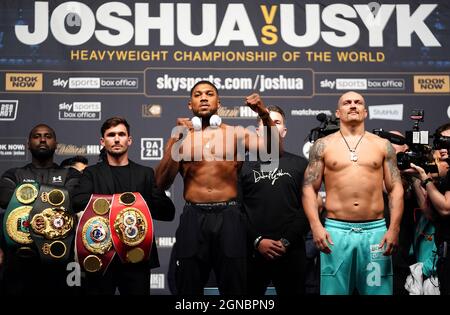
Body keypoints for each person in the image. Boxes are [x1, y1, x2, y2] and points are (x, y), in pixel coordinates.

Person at [155, 80, 275, 295]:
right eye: (197, 94)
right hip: (193, 216)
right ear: (189, 105)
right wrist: (176, 139)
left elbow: (272, 151)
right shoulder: (181, 136)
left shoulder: (236, 133)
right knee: (188, 288)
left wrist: (264, 114)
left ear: (218, 102)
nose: (203, 97)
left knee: (235, 288)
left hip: (229, 216)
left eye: (209, 94)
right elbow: (161, 182)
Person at [302, 91, 404, 295]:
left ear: (365, 112)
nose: (353, 105)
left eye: (358, 102)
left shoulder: (382, 145)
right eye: (347, 103)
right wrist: (315, 226)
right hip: (336, 232)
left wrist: (394, 228)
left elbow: (395, 188)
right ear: (338, 113)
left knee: (378, 292)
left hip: (376, 232)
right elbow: (308, 188)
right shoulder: (322, 146)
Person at [72, 117, 175, 295]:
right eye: (111, 135)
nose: (117, 139)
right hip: (101, 254)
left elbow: (167, 212)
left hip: (137, 256)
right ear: (103, 142)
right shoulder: (91, 173)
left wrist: (142, 202)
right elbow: (77, 201)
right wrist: (120, 204)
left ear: (129, 140)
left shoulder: (145, 174)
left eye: (121, 134)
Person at [0, 124, 81, 295]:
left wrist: (24, 198)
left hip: (59, 262)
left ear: (56, 143)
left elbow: (72, 202)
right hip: (19, 263)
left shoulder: (71, 175)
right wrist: (54, 198)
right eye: (37, 136)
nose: (42, 139)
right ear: (28, 144)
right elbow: (5, 199)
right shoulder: (12, 174)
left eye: (48, 136)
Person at [239, 105, 308, 295]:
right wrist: (257, 240)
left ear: (283, 132)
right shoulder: (242, 165)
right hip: (251, 251)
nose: (271, 126)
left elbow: (308, 207)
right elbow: (237, 209)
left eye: (276, 123)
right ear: (257, 131)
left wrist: (286, 241)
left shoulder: (301, 164)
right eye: (265, 122)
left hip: (291, 251)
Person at [410, 122, 450, 294]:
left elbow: (445, 209)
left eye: (448, 142)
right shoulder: (436, 178)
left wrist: (425, 179)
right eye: (441, 143)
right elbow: (429, 211)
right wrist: (417, 177)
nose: (444, 148)